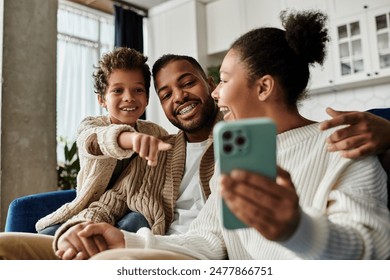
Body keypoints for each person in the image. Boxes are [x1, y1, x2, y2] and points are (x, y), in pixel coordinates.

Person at [67, 9, 390, 260]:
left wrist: (297, 229)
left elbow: (372, 249)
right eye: (165, 94)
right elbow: (209, 240)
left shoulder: (342, 144)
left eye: (222, 79)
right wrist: (123, 240)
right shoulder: (236, 155)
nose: (216, 92)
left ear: (263, 87)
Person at [0, 54, 222, 259]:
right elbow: (98, 145)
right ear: (102, 100)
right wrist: (81, 228)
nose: (179, 96)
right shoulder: (152, 143)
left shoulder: (160, 138)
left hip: (153, 241)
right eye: (166, 94)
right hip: (92, 212)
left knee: (136, 218)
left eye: (188, 83)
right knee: (8, 245)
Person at [36, 47, 172, 236]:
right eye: (118, 90)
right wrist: (130, 138)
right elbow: (93, 141)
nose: (129, 97)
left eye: (138, 90)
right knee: (47, 238)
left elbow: (176, 150)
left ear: (147, 98)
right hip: (89, 211)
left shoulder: (155, 132)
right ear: (102, 99)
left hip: (133, 210)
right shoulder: (90, 125)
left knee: (137, 223)